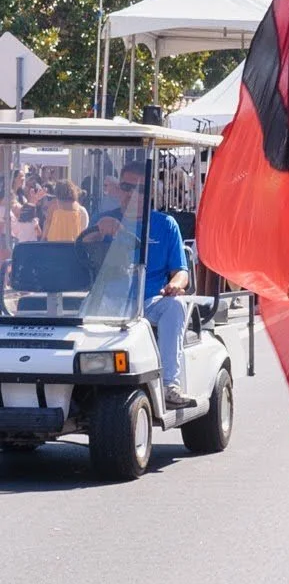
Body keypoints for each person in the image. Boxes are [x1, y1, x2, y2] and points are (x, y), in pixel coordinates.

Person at [83, 162, 198, 409]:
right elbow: (80, 255)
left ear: (150, 192)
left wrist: (175, 285)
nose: (133, 194)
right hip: (108, 302)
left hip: (148, 302)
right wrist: (98, 234)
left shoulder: (165, 225)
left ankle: (169, 384)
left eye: (141, 189)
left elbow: (181, 272)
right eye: (127, 187)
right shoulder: (103, 219)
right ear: (118, 189)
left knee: (175, 306)